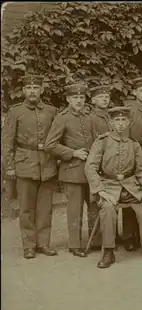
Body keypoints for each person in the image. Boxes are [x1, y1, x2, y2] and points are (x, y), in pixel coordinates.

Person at [84, 106, 142, 268]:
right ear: (111, 123)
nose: (120, 124)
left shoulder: (133, 144)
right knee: (107, 208)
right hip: (109, 187)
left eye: (124, 120)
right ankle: (108, 251)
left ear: (128, 123)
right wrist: (100, 190)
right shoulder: (102, 141)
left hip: (130, 187)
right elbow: (90, 167)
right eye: (117, 120)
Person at [2, 75, 59, 259]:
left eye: (36, 88)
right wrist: (9, 166)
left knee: (45, 207)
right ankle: (29, 245)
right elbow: (7, 141)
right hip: (25, 163)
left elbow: (59, 138)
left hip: (48, 163)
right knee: (26, 208)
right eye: (29, 88)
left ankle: (43, 243)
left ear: (42, 90)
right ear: (24, 91)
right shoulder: (15, 112)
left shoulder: (51, 111)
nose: (32, 91)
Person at [44, 82, 95, 258]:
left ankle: (95, 241)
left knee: (94, 206)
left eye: (81, 97)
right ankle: (75, 245)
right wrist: (73, 153)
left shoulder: (89, 117)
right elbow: (50, 145)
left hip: (91, 170)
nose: (79, 101)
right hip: (72, 171)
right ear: (68, 99)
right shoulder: (62, 118)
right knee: (75, 209)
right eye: (75, 97)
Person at [122, 77, 142, 252]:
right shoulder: (128, 110)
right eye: (141, 91)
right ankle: (129, 236)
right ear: (134, 92)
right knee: (130, 190)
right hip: (132, 152)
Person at [88, 84, 113, 250]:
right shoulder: (90, 118)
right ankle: (97, 239)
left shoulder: (112, 117)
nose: (105, 99)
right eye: (101, 97)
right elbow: (91, 141)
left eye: (107, 97)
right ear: (93, 100)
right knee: (95, 202)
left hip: (110, 165)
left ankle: (111, 235)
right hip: (96, 163)